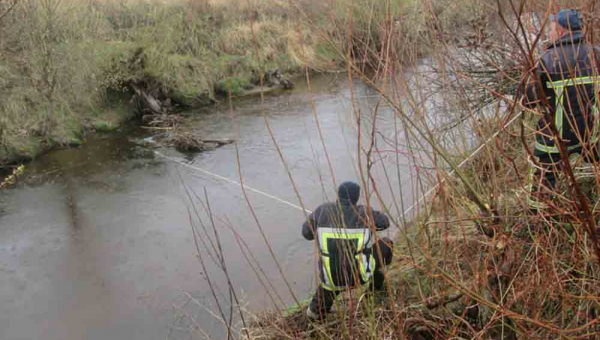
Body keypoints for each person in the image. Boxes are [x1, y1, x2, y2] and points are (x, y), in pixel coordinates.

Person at [522, 9, 600, 209]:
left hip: (556, 138)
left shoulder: (547, 60)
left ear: (562, 30)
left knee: (543, 180)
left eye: (551, 28)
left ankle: (541, 217)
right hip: (591, 132)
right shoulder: (596, 54)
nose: (549, 32)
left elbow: (528, 101)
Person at [301, 181, 393, 320]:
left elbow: (306, 234)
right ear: (356, 198)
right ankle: (375, 287)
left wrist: (318, 219)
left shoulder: (323, 210)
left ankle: (314, 317)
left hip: (331, 279)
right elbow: (384, 222)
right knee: (387, 244)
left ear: (338, 195)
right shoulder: (364, 212)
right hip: (360, 275)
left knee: (314, 313)